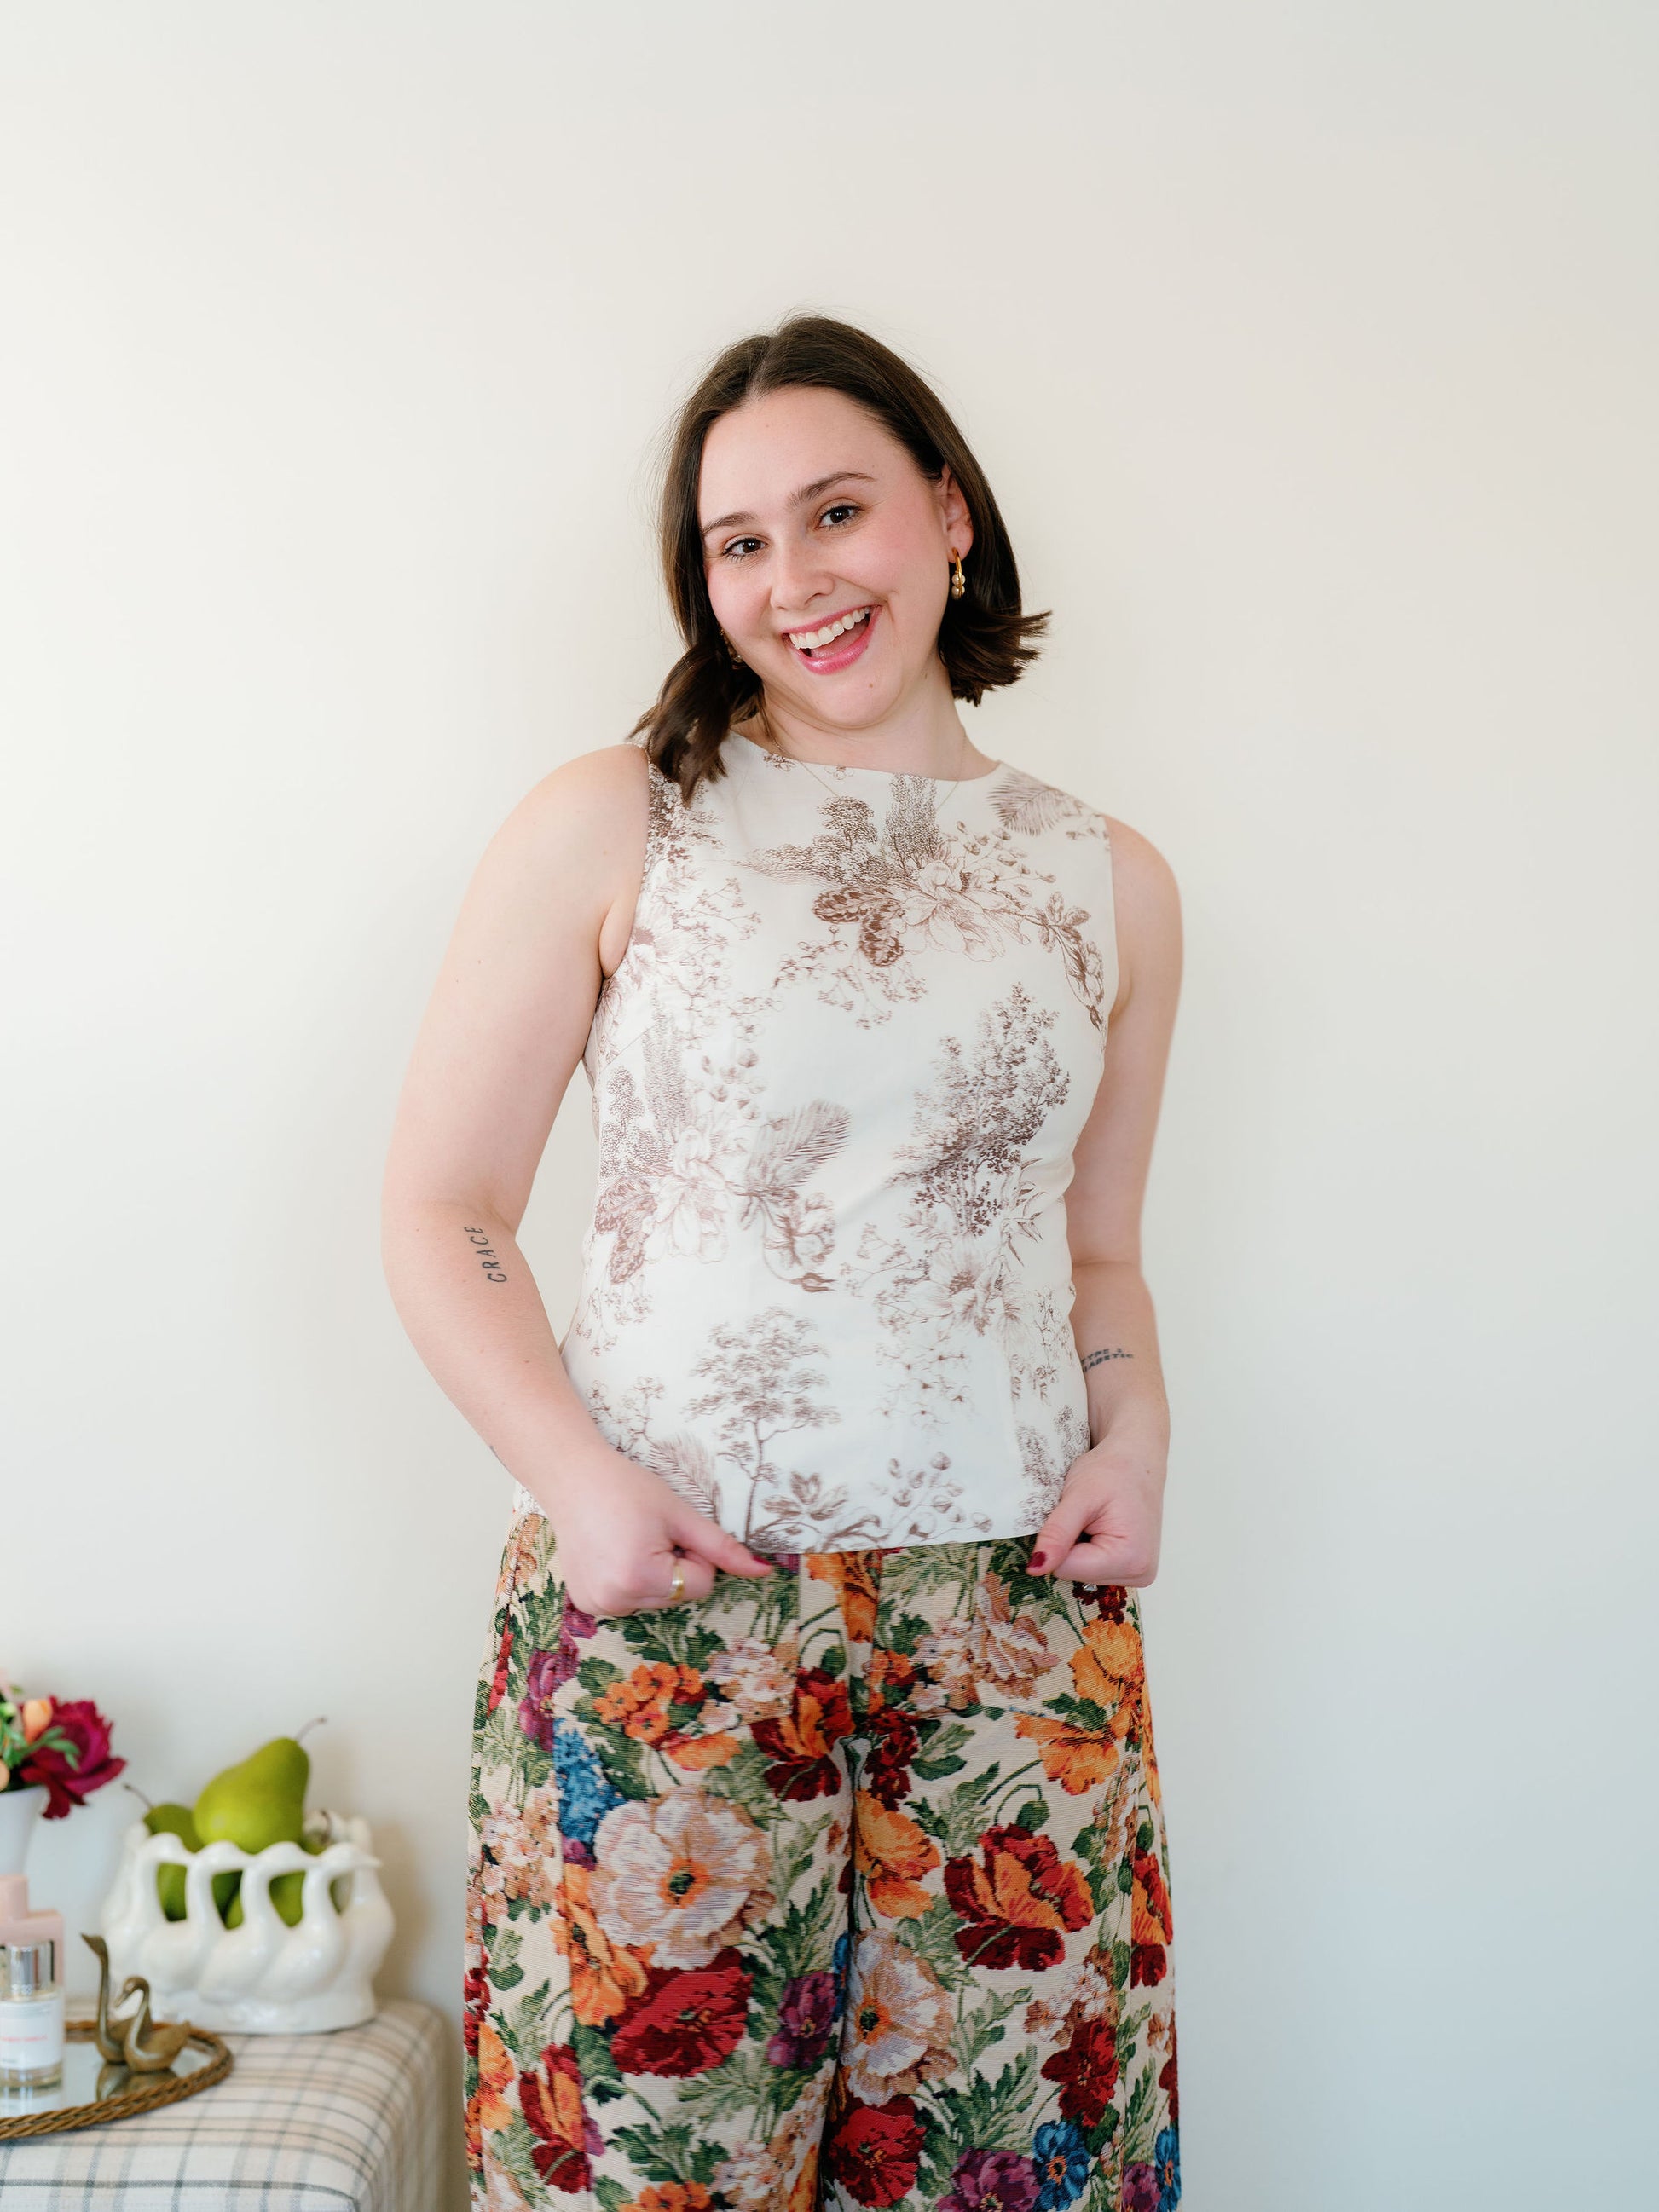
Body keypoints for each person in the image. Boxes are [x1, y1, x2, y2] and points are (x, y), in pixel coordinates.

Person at [381, 314, 1185, 2212]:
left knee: (1010, 2175)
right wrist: (580, 1488)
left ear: (949, 515)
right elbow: (443, 1205)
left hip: (1012, 1634)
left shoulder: (1112, 880)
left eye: (836, 512)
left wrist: (1137, 1437)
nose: (795, 579)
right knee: (652, 2179)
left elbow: (1098, 1254)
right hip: (675, 1614)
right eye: (738, 541)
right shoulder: (617, 817)